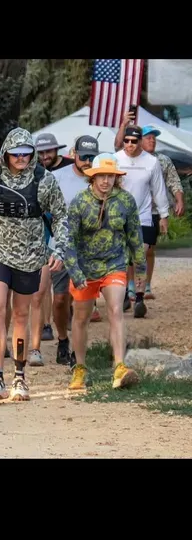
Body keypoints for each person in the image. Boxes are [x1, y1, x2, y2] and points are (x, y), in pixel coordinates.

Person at [0, 128, 68, 402]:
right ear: (6, 153)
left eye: (26, 152)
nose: (21, 157)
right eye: (16, 153)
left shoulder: (44, 180)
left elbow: (60, 216)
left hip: (31, 255)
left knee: (21, 314)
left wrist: (58, 248)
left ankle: (19, 376)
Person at [64, 155, 145, 391]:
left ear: (116, 178)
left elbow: (135, 237)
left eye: (110, 176)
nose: (106, 181)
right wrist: (75, 271)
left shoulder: (126, 201)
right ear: (93, 177)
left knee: (116, 309)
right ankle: (79, 368)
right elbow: (68, 240)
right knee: (81, 317)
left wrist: (140, 269)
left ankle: (120, 366)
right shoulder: (79, 202)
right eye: (102, 176)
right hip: (85, 267)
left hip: (115, 263)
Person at [30, 135, 99, 367]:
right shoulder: (56, 177)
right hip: (59, 247)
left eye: (92, 157)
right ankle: (62, 339)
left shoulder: (100, 179)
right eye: (83, 157)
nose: (88, 161)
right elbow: (42, 209)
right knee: (59, 300)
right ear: (74, 154)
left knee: (81, 300)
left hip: (88, 251)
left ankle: (78, 351)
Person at [115, 117, 185, 299]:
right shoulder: (118, 158)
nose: (152, 140)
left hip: (148, 214)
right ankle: (128, 288)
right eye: (148, 137)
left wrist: (168, 211)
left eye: (154, 137)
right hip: (124, 215)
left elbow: (166, 186)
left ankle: (143, 289)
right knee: (127, 254)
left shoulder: (158, 161)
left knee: (144, 252)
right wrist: (123, 124)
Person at [114, 124, 169, 316]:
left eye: (134, 141)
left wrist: (163, 215)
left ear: (140, 142)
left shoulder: (151, 162)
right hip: (118, 217)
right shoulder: (116, 159)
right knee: (121, 258)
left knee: (140, 257)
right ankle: (122, 297)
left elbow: (159, 189)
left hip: (143, 217)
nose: (129, 145)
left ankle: (138, 298)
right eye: (126, 141)